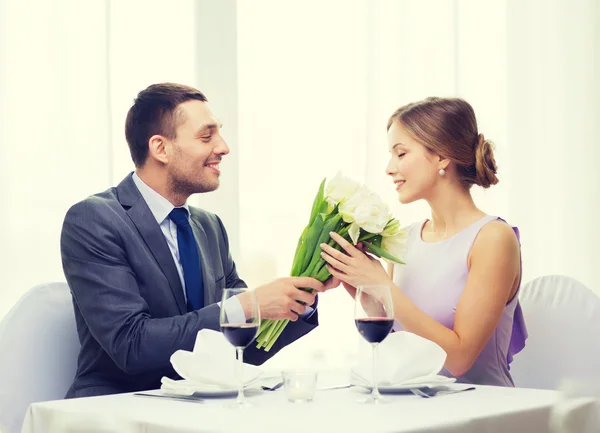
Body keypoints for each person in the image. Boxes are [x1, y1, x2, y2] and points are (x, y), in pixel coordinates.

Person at [61, 83, 333, 398]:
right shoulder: (94, 220)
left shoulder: (210, 228)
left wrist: (303, 297)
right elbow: (131, 345)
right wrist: (246, 305)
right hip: (117, 407)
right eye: (207, 136)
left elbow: (244, 348)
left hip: (198, 407)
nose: (224, 147)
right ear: (160, 148)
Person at [320, 97, 527, 386]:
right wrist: (364, 289)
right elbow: (401, 345)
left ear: (442, 157)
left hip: (484, 413)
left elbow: (458, 360)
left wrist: (384, 287)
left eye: (400, 154)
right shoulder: (405, 238)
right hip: (421, 408)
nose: (389, 168)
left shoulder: (493, 238)